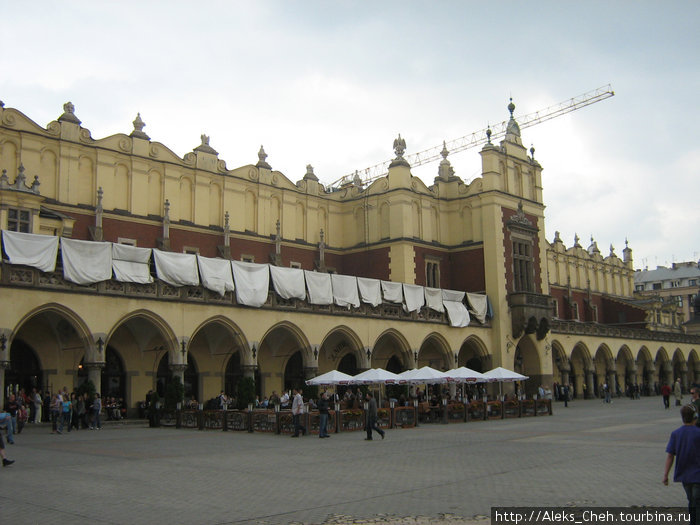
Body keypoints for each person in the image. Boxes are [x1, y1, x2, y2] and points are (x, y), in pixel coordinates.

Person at [663, 405, 700, 525]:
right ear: (695, 417)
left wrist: (665, 475)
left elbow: (670, 456)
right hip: (698, 475)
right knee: (697, 501)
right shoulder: (698, 433)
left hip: (684, 474)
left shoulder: (676, 434)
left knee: (691, 500)